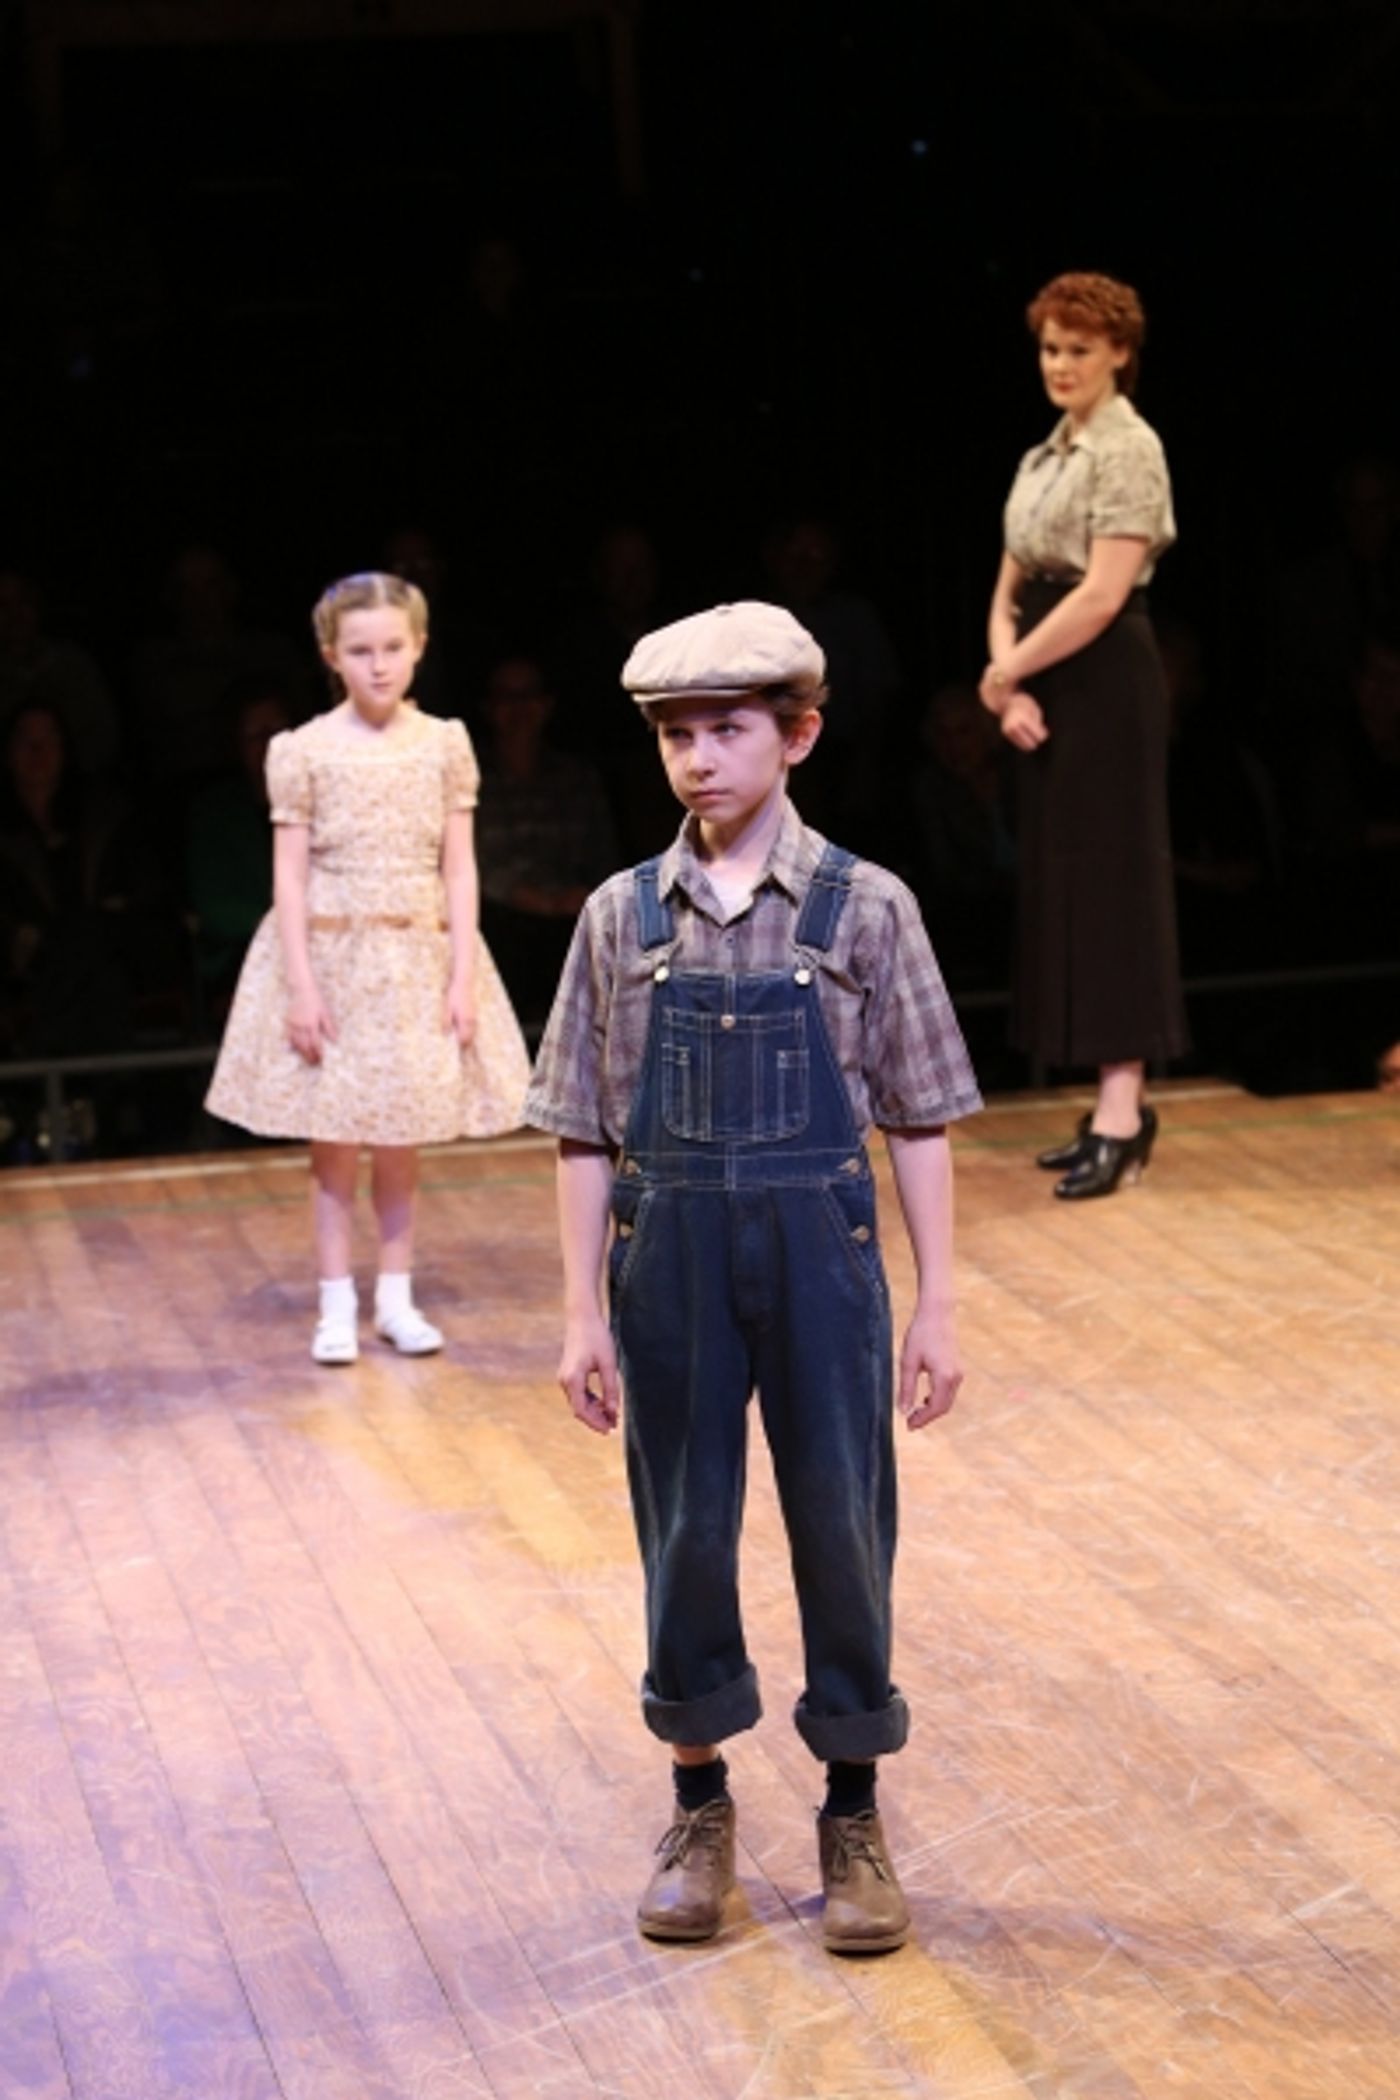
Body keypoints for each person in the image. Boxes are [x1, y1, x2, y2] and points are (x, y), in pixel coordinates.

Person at [526, 602, 981, 1954]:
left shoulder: (869, 907)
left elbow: (923, 1115)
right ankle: (701, 1800)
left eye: (728, 730)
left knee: (843, 1520)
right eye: (676, 734)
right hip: (666, 1261)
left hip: (820, 1257)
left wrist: (942, 1300)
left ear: (800, 735)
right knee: (684, 1525)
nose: (700, 759)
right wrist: (576, 1310)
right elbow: (582, 1128)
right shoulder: (621, 918)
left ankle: (853, 1804)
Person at [205, 572, 530, 1364]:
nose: (379, 665)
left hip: (416, 953)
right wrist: (302, 986)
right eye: (361, 651)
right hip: (334, 952)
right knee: (336, 1139)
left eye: (393, 647)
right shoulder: (304, 750)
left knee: (402, 1134)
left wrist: (460, 975)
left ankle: (394, 1295)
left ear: (418, 647)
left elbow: (459, 867)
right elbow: (288, 874)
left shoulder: (443, 743)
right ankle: (333, 1304)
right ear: (331, 656)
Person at [980, 270, 1187, 1198]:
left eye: (1078, 349)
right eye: (1050, 348)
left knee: (1116, 887)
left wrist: (1012, 668)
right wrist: (1004, 682)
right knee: (1063, 885)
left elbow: (1102, 594)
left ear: (1119, 355)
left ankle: (1123, 1107)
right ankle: (1103, 1103)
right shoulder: (1044, 456)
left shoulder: (1128, 448)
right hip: (1043, 676)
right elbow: (1009, 586)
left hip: (1104, 678)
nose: (1059, 365)